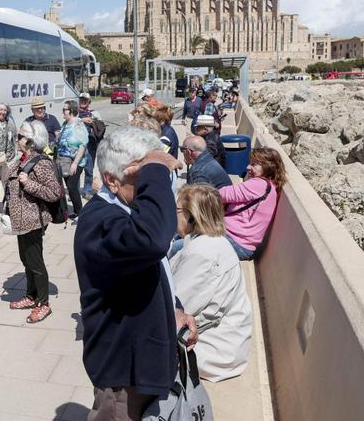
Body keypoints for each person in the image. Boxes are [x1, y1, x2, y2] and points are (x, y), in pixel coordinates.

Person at [73, 127, 197, 419]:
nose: (154, 191)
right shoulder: (99, 222)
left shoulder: (127, 212)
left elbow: (151, 268)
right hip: (122, 376)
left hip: (142, 360)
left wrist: (174, 310)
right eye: (142, 181)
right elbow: (153, 241)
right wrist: (154, 169)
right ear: (111, 181)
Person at [170, 184, 253, 382]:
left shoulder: (202, 252)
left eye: (177, 210)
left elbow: (178, 309)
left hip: (215, 349)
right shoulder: (209, 242)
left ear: (192, 216)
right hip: (225, 341)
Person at [5, 120, 61, 324]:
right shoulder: (23, 158)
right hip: (21, 222)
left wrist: (28, 184)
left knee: (35, 263)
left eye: (20, 136)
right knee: (26, 260)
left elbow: (54, 193)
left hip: (34, 221)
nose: (17, 139)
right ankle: (30, 296)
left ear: (30, 140)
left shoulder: (42, 162)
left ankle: (43, 303)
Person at [219, 148, 287, 260]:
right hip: (240, 243)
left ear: (268, 166)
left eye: (254, 164)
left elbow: (220, 194)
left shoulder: (258, 184)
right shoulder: (270, 186)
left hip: (235, 242)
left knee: (184, 245)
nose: (248, 167)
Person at [58, 100, 88, 221]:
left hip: (76, 161)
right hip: (64, 161)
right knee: (70, 186)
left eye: (64, 109)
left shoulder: (79, 124)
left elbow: (83, 145)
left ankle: (81, 214)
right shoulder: (65, 124)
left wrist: (75, 163)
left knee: (71, 186)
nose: (63, 112)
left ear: (71, 111)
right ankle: (76, 211)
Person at [77, 92, 103, 198]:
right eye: (81, 99)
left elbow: (101, 127)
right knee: (76, 169)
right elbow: (67, 122)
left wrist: (93, 122)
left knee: (89, 169)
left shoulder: (94, 113)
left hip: (90, 144)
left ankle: (87, 190)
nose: (83, 101)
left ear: (89, 102)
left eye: (85, 100)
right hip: (77, 145)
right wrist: (81, 120)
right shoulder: (75, 113)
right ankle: (76, 191)